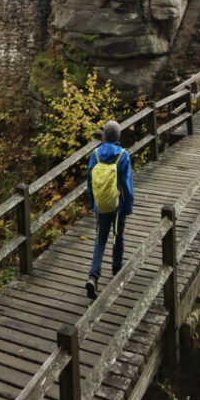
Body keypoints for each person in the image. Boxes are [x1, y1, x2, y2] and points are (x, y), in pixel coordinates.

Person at [85, 120, 134, 299]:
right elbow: (127, 184)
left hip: (101, 204)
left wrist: (93, 204)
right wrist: (128, 205)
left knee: (101, 239)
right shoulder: (123, 155)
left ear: (104, 136)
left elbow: (89, 183)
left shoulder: (95, 154)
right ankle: (116, 268)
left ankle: (93, 276)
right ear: (119, 137)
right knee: (118, 234)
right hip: (118, 203)